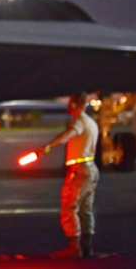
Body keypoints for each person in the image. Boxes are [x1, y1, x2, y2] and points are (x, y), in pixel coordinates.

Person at [34, 92, 99, 258]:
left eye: (71, 103)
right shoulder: (91, 122)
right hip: (91, 168)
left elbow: (67, 136)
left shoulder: (79, 122)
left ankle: (74, 247)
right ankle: (87, 248)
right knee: (86, 210)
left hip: (79, 170)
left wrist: (47, 147)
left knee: (69, 208)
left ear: (75, 105)